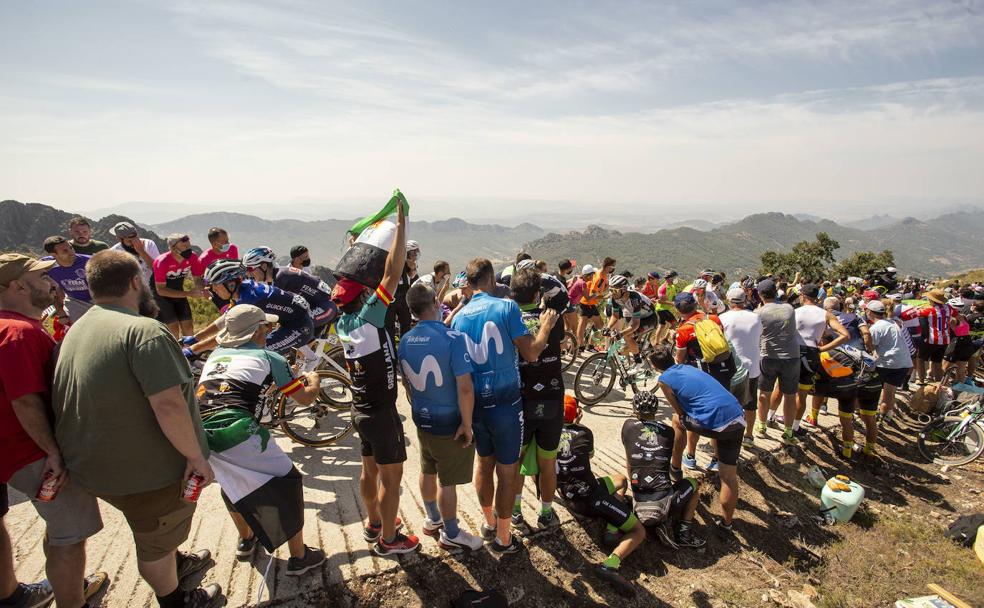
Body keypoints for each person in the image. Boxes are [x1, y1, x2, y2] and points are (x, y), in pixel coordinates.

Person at [52, 250, 221, 608]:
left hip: (94, 465)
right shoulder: (144, 332)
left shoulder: (79, 328)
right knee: (154, 540)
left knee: (153, 529)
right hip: (145, 475)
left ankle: (175, 562)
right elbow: (168, 404)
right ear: (134, 282)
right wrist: (195, 458)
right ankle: (175, 598)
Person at [0, 253, 109, 608]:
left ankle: (57, 587)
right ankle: (71, 600)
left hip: (15, 451)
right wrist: (53, 452)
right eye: (41, 277)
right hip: (32, 452)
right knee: (70, 538)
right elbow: (25, 401)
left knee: (60, 531)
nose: (51, 282)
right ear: (17, 286)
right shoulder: (18, 333)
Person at [195, 305, 326, 573]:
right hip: (237, 427)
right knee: (288, 482)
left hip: (199, 430)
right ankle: (299, 557)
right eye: (266, 326)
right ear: (257, 331)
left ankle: (246, 540)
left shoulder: (216, 354)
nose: (269, 330)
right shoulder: (269, 357)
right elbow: (304, 398)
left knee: (232, 483)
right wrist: (314, 380)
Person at [450, 258, 558, 554]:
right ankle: (504, 538)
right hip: (507, 404)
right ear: (488, 279)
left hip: (476, 404)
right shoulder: (506, 307)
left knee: (483, 464)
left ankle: (487, 522)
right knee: (507, 473)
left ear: (470, 283)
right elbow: (532, 353)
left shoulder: (459, 318)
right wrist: (546, 328)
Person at [332, 202, 419, 555]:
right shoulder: (370, 318)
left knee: (368, 470)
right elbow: (393, 272)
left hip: (360, 410)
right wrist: (400, 226)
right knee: (392, 479)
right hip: (382, 413)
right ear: (364, 297)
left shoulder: (344, 324)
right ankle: (389, 540)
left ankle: (373, 522)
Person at [397, 283, 484, 551]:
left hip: (422, 418)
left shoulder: (405, 340)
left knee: (427, 467)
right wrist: (467, 424)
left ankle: (432, 518)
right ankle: (452, 532)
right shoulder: (452, 339)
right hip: (450, 423)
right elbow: (465, 387)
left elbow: (407, 383)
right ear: (436, 302)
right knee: (448, 481)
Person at [649, 344, 744, 531]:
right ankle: (727, 523)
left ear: (654, 366)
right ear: (672, 357)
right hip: (737, 417)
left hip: (717, 424)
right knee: (729, 477)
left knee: (677, 420)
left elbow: (679, 410)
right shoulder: (689, 367)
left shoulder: (664, 380)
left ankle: (675, 468)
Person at [557, 396, 644, 597]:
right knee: (639, 531)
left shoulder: (547, 434)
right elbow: (588, 455)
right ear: (577, 414)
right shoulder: (584, 433)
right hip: (591, 498)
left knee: (621, 480)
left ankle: (612, 528)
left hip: (569, 494)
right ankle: (610, 564)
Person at [509, 268, 567, 531]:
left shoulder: (509, 320)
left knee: (517, 460)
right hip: (552, 396)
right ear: (537, 294)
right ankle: (546, 514)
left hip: (521, 398)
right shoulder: (553, 318)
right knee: (547, 461)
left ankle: (515, 513)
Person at [621, 391, 705, 549]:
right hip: (666, 504)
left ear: (634, 410)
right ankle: (683, 532)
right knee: (693, 484)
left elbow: (629, 460)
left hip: (638, 500)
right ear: (656, 410)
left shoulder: (628, 426)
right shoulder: (668, 432)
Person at [186, 260, 314, 356]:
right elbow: (226, 318)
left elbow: (228, 334)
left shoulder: (249, 300)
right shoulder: (242, 290)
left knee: (255, 355)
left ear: (230, 284)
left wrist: (193, 350)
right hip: (288, 322)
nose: (213, 290)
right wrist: (196, 337)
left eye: (215, 285)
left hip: (299, 327)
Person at [794, 284, 849, 435]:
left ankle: (778, 421)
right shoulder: (825, 314)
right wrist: (823, 349)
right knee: (802, 394)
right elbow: (845, 335)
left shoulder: (795, 312)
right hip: (812, 353)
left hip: (794, 352)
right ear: (817, 297)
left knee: (786, 391)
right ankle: (794, 426)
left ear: (803, 296)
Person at [242, 247, 338, 333]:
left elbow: (282, 309)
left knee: (293, 330)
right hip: (316, 305)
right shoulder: (276, 277)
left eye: (250, 269)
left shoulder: (281, 278)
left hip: (325, 306)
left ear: (263, 266)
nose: (248, 273)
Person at [755, 279, 801, 445]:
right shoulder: (789, 309)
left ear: (760, 295)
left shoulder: (758, 313)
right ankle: (788, 431)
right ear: (775, 292)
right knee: (790, 395)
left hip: (768, 356)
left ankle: (761, 425)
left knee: (763, 393)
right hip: (792, 357)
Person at [720, 287, 763, 447]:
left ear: (729, 301)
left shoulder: (722, 318)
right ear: (744, 300)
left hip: (730, 368)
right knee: (750, 404)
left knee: (726, 403)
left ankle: (724, 437)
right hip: (752, 367)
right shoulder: (756, 318)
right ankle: (749, 436)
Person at [866, 300, 913, 427]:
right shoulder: (893, 322)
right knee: (891, 391)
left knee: (878, 391)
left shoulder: (876, 327)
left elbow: (870, 346)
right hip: (903, 362)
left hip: (888, 363)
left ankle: (876, 419)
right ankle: (886, 416)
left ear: (869, 312)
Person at [153, 234, 204, 339]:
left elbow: (198, 278)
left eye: (189, 246)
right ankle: (174, 353)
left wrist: (200, 290)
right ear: (173, 248)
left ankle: (190, 352)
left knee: (188, 326)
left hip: (180, 293)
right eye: (184, 247)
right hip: (162, 297)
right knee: (173, 329)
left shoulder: (192, 257)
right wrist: (189, 293)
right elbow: (161, 290)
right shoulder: (162, 261)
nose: (188, 249)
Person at [900, 289, 954, 383]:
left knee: (920, 359)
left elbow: (915, 313)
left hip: (932, 339)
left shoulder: (930, 310)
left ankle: (921, 381)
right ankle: (938, 384)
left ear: (932, 300)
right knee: (937, 363)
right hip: (945, 339)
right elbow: (956, 316)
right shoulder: (948, 308)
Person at [607, 274, 657, 373]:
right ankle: (630, 361)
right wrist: (608, 327)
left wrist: (621, 334)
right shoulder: (615, 297)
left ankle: (638, 361)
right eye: (611, 290)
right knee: (624, 344)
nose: (613, 293)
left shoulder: (634, 298)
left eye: (615, 290)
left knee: (627, 335)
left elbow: (635, 325)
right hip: (633, 315)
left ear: (624, 289)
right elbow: (615, 316)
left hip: (649, 318)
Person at [41, 236, 93, 324]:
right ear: (54, 255)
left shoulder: (89, 262)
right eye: (65, 251)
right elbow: (52, 292)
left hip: (98, 298)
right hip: (74, 300)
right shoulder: (46, 267)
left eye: (71, 248)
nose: (71, 252)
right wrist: (61, 313)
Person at [575, 257, 614, 351]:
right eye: (612, 267)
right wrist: (603, 296)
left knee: (586, 324)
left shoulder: (601, 275)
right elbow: (592, 294)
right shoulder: (599, 277)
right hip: (587, 303)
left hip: (588, 302)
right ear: (608, 267)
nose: (613, 269)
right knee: (597, 324)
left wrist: (605, 289)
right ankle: (585, 345)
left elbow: (598, 291)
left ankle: (582, 346)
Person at [385, 241, 417, 343]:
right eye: (412, 253)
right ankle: (390, 347)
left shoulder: (411, 264)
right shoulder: (395, 260)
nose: (414, 256)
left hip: (404, 297)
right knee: (389, 325)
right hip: (392, 296)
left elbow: (413, 279)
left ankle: (404, 345)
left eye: (416, 253)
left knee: (406, 322)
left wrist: (412, 269)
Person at [109, 221, 160, 286]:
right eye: (129, 241)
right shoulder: (114, 253)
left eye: (136, 238)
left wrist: (141, 251)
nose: (134, 243)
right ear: (119, 239)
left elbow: (158, 270)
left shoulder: (149, 245)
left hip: (151, 288)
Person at [654, 270, 680, 345]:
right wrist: (672, 303)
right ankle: (665, 339)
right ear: (669, 278)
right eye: (674, 277)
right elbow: (660, 301)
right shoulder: (663, 288)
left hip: (666, 309)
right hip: (662, 309)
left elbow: (674, 297)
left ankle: (656, 343)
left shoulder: (672, 286)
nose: (675, 279)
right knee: (674, 323)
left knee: (662, 326)